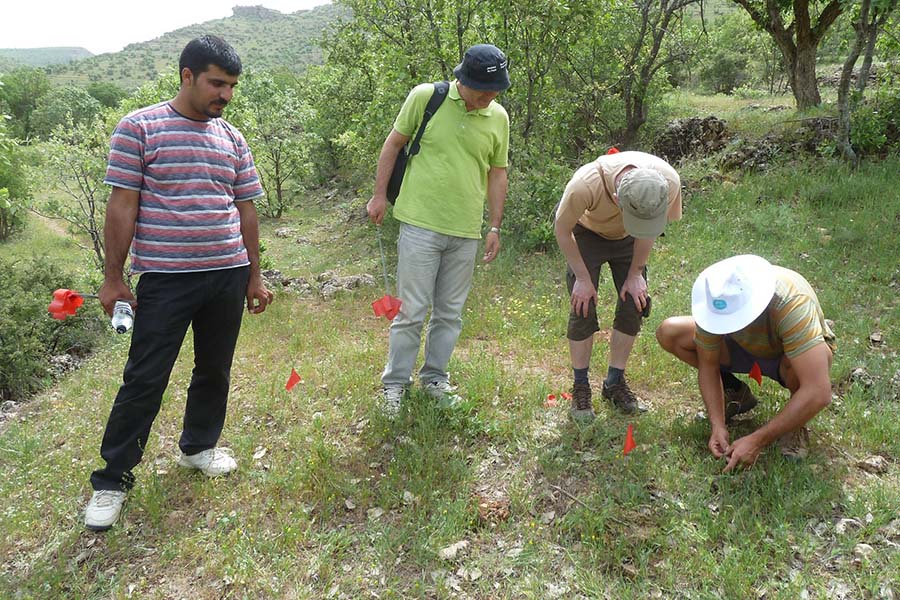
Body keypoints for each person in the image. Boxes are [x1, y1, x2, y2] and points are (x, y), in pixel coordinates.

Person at [84, 35, 273, 531]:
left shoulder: (231, 138)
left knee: (214, 369)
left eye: (231, 86)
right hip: (165, 279)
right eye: (216, 83)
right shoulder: (139, 128)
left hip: (226, 274)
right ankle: (111, 481)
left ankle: (199, 447)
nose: (225, 95)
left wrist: (254, 274)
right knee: (145, 377)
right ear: (187, 75)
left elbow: (246, 210)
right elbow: (122, 204)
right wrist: (112, 277)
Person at [366, 44, 510, 417]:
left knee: (450, 313)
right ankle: (394, 386)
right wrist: (379, 195)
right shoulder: (426, 96)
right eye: (483, 91)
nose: (488, 98)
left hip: (465, 231)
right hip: (420, 224)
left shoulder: (498, 117)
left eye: (495, 91)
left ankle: (435, 379)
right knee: (411, 311)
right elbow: (393, 144)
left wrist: (494, 224)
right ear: (464, 79)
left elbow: (498, 173)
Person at [656, 254, 835, 471]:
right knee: (670, 332)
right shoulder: (715, 299)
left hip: (786, 356)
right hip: (741, 350)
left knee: (811, 363)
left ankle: (795, 425)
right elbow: (709, 366)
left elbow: (819, 391)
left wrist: (757, 441)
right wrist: (717, 424)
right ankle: (735, 394)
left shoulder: (790, 301)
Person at [554, 151, 682, 421]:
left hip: (630, 239)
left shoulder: (667, 182)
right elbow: (562, 230)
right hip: (586, 232)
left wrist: (636, 273)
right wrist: (583, 278)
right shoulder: (585, 184)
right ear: (616, 199)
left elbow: (647, 230)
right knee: (583, 304)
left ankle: (614, 383)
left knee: (635, 302)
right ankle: (580, 386)